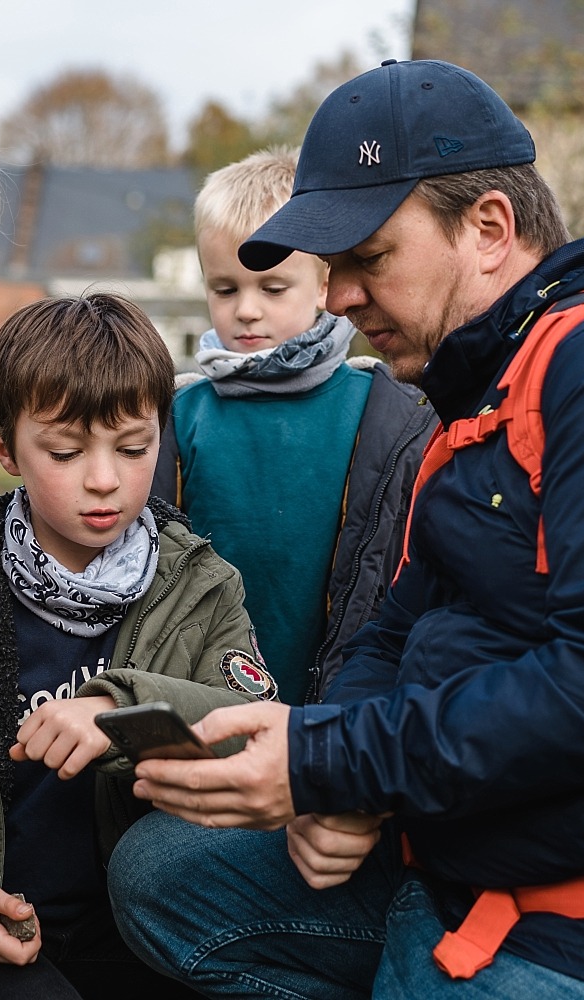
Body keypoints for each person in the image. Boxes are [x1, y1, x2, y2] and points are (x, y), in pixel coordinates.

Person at [109, 59, 584, 1000]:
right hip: (486, 857)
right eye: (331, 270)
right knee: (167, 878)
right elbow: (400, 626)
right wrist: (341, 777)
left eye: (370, 259)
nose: (337, 300)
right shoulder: (483, 392)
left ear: (489, 229)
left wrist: (334, 762)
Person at [0, 292, 277, 1000]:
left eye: (133, 448)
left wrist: (122, 711)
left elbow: (254, 738)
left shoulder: (202, 586)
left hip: (139, 938)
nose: (104, 479)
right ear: (6, 447)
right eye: (65, 451)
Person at [153, 146, 436, 705]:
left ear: (324, 282)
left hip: (342, 707)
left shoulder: (388, 412)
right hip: (205, 707)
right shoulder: (179, 414)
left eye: (273, 287)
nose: (247, 310)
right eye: (225, 289)